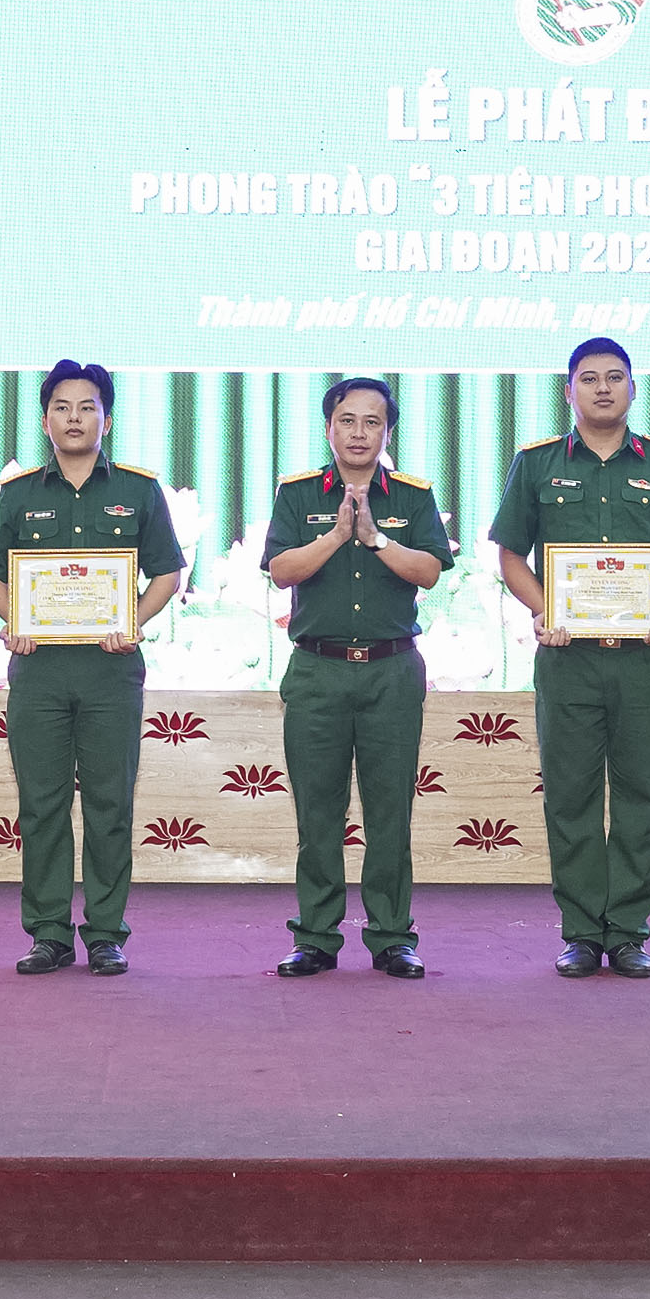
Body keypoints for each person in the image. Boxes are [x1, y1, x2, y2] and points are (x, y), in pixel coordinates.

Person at [489, 338, 650, 978]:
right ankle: (582, 933)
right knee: (571, 798)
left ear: (633, 389)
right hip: (568, 662)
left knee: (642, 797)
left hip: (643, 662)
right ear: (570, 391)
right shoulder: (535, 464)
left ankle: (629, 933)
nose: (603, 388)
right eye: (589, 379)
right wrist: (543, 610)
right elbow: (510, 555)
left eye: (615, 378)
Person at [0, 361, 184, 978]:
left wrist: (134, 621)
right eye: (62, 407)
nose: (74, 418)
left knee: (109, 804)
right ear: (45, 420)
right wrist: (16, 618)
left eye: (87, 407)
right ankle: (48, 933)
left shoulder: (140, 491)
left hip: (110, 670)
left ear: (106, 420)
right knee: (41, 805)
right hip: (38, 669)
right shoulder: (18, 494)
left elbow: (167, 572)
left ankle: (105, 933)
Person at [262, 377, 456, 980]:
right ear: (329, 427)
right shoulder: (297, 493)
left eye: (372, 422)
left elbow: (429, 571)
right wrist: (337, 536)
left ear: (387, 432)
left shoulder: (414, 496)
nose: (359, 432)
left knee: (389, 813)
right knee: (317, 813)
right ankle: (316, 937)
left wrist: (373, 539)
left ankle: (392, 937)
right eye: (347, 420)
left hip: (390, 671)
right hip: (317, 670)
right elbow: (281, 570)